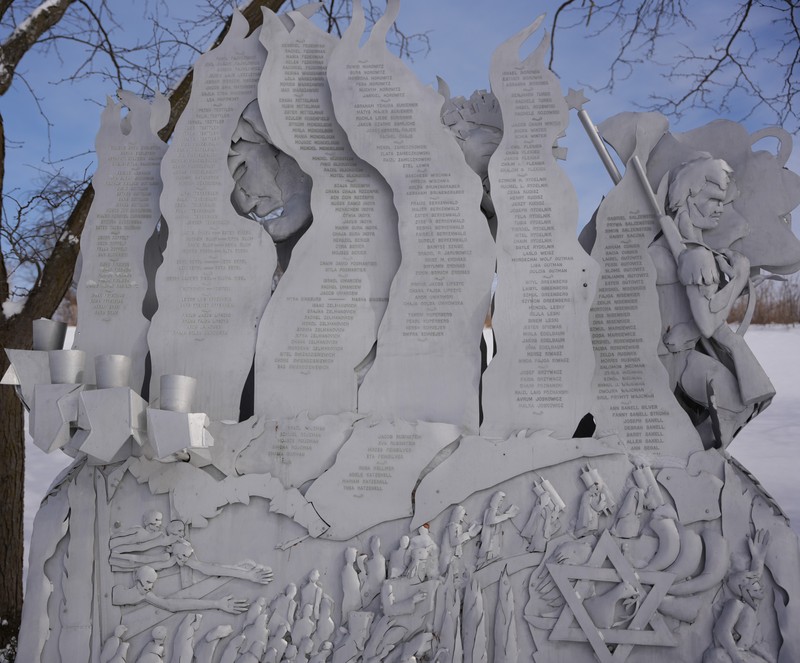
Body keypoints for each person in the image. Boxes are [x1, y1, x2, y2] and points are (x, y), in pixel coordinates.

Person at [651, 156, 774, 446]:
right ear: (690, 197)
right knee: (737, 399)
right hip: (669, 364)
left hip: (678, 356)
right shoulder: (695, 256)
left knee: (741, 401)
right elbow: (707, 323)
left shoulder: (696, 252)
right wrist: (740, 279)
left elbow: (698, 320)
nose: (721, 207)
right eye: (714, 199)